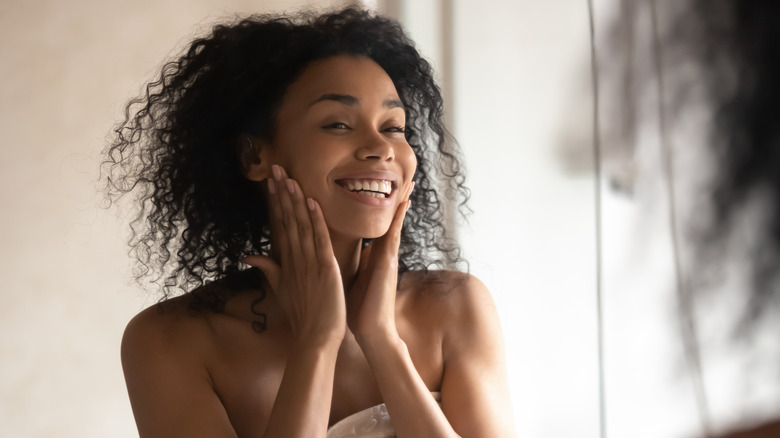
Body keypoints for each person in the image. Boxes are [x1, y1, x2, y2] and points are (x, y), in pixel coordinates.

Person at [103, 7, 516, 437]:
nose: (381, 148)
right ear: (255, 157)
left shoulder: (456, 306)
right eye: (338, 124)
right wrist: (317, 342)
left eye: (394, 127)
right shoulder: (170, 341)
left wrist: (382, 340)